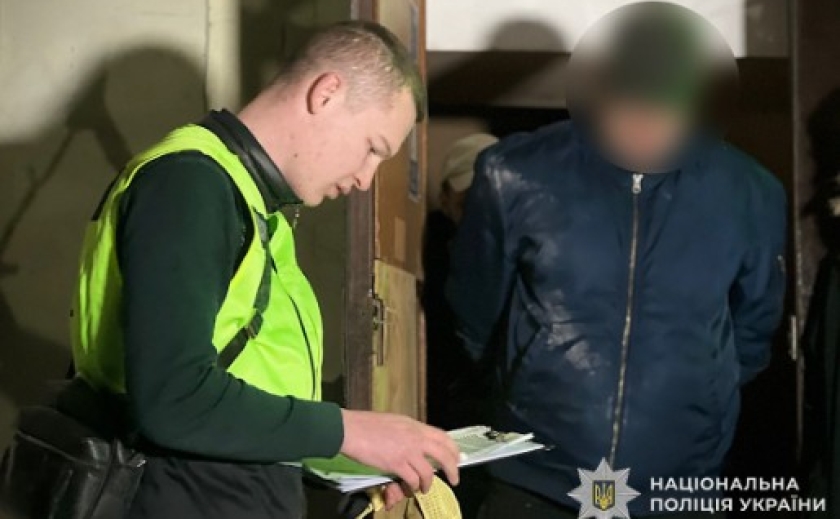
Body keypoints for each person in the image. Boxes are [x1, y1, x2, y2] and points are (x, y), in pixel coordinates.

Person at [69, 21, 459, 519]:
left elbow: (249, 398)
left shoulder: (254, 206)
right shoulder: (189, 185)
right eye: (372, 148)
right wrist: (348, 431)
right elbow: (174, 398)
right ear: (326, 94)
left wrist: (354, 469)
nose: (365, 179)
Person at [446, 5, 786, 519]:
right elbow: (476, 315)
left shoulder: (751, 194)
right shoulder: (513, 172)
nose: (646, 125)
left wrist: (697, 393)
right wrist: (529, 382)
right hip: (534, 479)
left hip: (679, 485)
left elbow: (753, 335)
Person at [424, 132, 498, 431]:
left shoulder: (531, 245)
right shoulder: (433, 246)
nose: (479, 214)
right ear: (446, 199)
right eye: (468, 202)